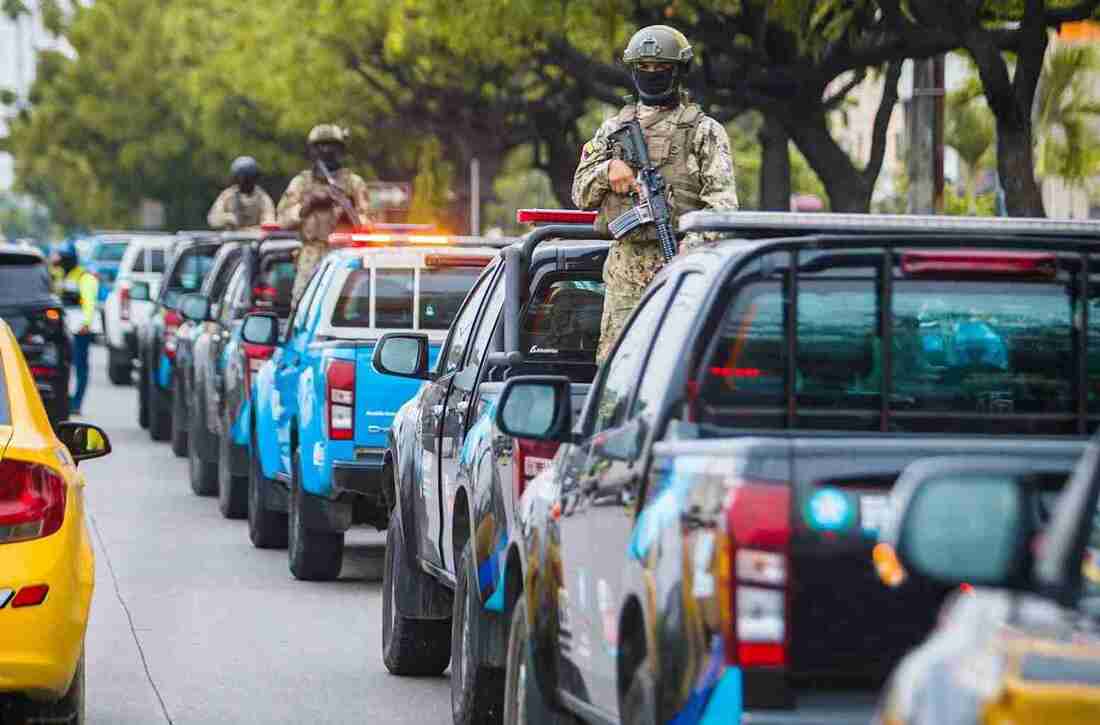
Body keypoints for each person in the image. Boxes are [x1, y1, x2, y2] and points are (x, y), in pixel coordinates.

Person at [572, 25, 739, 362]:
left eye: (661, 68)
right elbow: (580, 193)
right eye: (644, 68)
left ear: (678, 71)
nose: (652, 75)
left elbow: (723, 208)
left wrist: (686, 252)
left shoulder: (704, 132)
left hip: (682, 272)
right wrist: (609, 170)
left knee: (675, 366)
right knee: (617, 371)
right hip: (625, 278)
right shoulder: (613, 129)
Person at [277, 125, 372, 303]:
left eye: (331, 146)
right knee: (301, 305)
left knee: (343, 307)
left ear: (341, 150)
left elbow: (367, 224)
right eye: (320, 146)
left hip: (345, 257)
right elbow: (282, 220)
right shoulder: (301, 183)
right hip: (311, 255)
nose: (326, 151)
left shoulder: (354, 183)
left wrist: (347, 210)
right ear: (312, 150)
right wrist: (308, 204)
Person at [51, 241, 98, 416]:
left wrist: (86, 323)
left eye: (64, 258)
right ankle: (65, 399)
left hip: (80, 328)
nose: (61, 261)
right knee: (62, 365)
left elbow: (89, 302)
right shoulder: (59, 274)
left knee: (80, 367)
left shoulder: (84, 277)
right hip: (63, 327)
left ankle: (77, 402)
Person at [207, 156, 277, 230]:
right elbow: (213, 219)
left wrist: (255, 228)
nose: (244, 182)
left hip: (256, 238)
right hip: (231, 238)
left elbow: (269, 220)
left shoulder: (262, 197)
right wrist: (228, 218)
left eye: (248, 178)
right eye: (241, 178)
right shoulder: (228, 195)